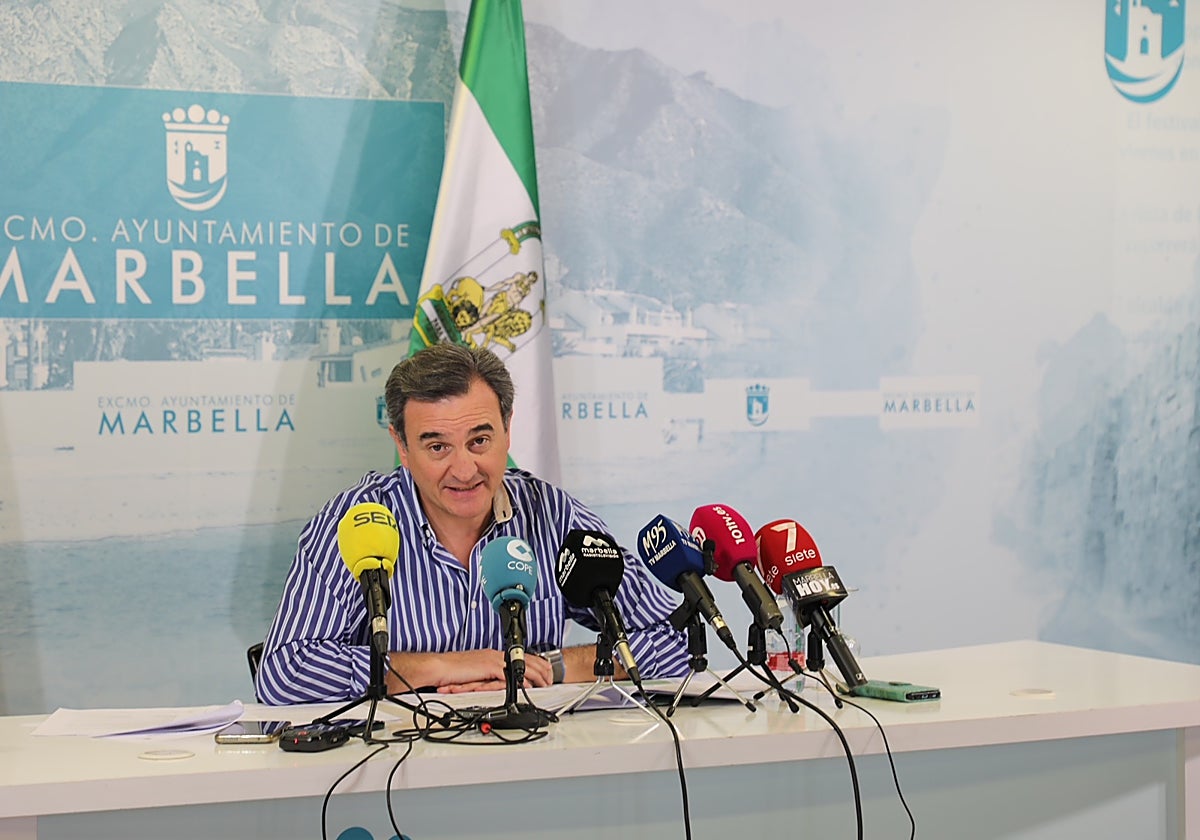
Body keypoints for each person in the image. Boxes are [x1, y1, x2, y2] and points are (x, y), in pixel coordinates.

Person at [255, 343, 689, 705]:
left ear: (507, 430)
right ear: (402, 447)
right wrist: (443, 667)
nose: (464, 470)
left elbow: (681, 639)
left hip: (529, 759)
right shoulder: (356, 523)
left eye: (479, 441)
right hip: (395, 765)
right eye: (437, 447)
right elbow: (284, 673)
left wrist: (549, 667)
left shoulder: (553, 516)